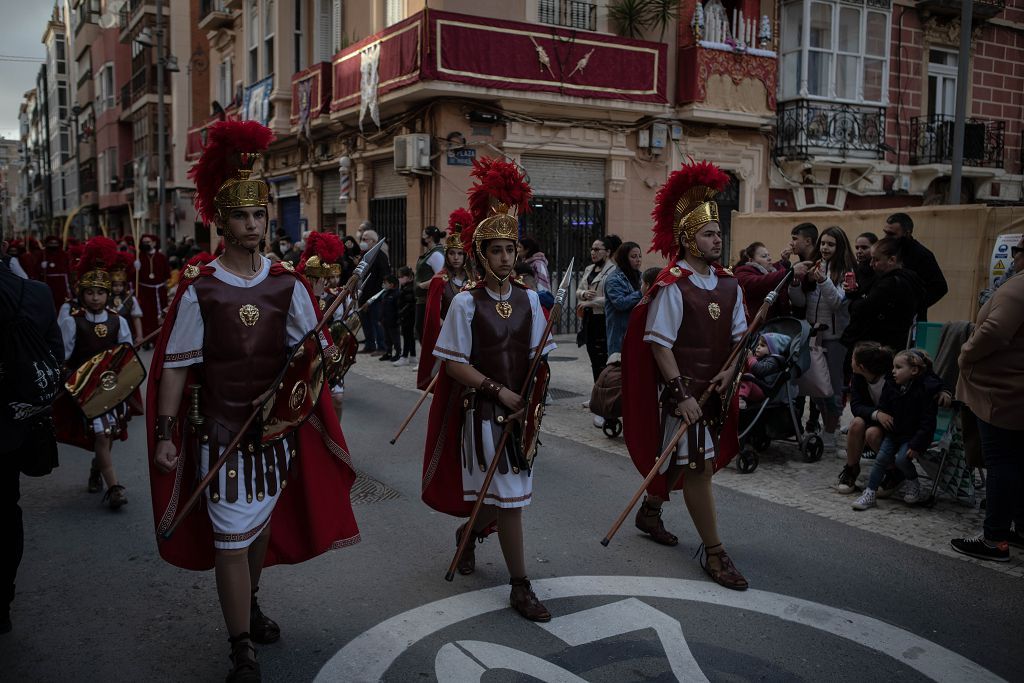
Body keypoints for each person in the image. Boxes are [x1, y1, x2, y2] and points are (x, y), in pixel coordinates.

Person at [148, 120, 360, 681]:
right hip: (219, 431)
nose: (254, 224)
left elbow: (309, 361)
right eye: (242, 215)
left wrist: (333, 352)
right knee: (230, 537)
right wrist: (167, 436)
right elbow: (175, 369)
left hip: (273, 435)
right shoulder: (201, 287)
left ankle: (253, 600)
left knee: (260, 528)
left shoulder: (288, 283)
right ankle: (240, 642)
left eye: (260, 214)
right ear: (221, 221)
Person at [421, 157, 556, 622]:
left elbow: (542, 360)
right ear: (481, 254)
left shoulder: (531, 300)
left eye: (509, 249)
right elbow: (453, 363)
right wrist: (499, 391)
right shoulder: (463, 302)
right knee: (511, 500)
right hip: (482, 416)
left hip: (521, 418)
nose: (504, 257)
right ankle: (521, 586)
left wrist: (533, 402)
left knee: (501, 498)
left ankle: (467, 533)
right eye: (495, 250)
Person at [621, 159, 749, 590]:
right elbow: (658, 343)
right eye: (709, 233)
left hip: (714, 394)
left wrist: (730, 375)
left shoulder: (730, 284)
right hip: (683, 394)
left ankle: (651, 510)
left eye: (718, 233)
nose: (717, 239)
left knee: (685, 460)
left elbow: (738, 341)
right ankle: (714, 553)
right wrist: (681, 395)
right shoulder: (674, 284)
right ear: (688, 239)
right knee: (698, 466)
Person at [0, 257, 64, 635]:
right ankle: (3, 599)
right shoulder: (37, 293)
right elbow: (55, 358)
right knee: (7, 512)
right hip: (10, 427)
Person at [951, 238, 1024, 562]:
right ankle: (1019, 529)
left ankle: (995, 540)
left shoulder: (1018, 288)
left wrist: (966, 353)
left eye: (1016, 251)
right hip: (1013, 389)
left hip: (1002, 392)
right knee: (1016, 463)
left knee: (1001, 463)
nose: (1013, 257)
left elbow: (994, 332)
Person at [54, 237, 134, 509]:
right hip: (87, 390)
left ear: (108, 293)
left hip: (111, 388)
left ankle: (96, 469)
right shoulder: (71, 321)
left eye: (100, 292)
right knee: (101, 435)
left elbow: (128, 355)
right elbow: (62, 358)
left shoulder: (118, 320)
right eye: (90, 292)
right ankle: (114, 488)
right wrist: (76, 378)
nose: (95, 297)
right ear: (82, 293)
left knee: (108, 435)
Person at [789, 226, 855, 454]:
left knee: (833, 387)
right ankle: (825, 425)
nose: (825, 248)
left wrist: (823, 281)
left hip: (834, 338)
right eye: (823, 244)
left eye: (831, 244)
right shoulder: (813, 266)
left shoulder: (845, 271)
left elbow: (838, 302)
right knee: (815, 386)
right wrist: (796, 283)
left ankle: (829, 431)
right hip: (813, 335)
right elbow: (799, 302)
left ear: (840, 247)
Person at [852, 349, 944, 510]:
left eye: (898, 367)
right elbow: (884, 406)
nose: (893, 371)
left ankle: (912, 480)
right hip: (894, 433)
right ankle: (870, 492)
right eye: (893, 367)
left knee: (902, 459)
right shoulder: (891, 385)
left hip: (913, 436)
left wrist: (916, 445)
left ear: (914, 370)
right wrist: (882, 415)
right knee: (880, 459)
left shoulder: (925, 390)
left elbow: (928, 423)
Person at [417, 209, 474, 390]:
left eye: (460, 253)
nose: (456, 258)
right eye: (452, 253)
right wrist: (449, 327)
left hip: (472, 337)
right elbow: (434, 315)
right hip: (447, 338)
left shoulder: (473, 281)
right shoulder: (439, 280)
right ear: (447, 255)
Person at [296, 231, 348, 420]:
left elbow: (339, 328)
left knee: (337, 399)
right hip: (306, 359)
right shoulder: (300, 299)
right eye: (320, 280)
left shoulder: (334, 297)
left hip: (327, 357)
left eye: (325, 280)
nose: (323, 283)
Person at [841, 237, 925, 353]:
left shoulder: (890, 284)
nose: (871, 264)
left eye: (876, 260)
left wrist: (856, 302)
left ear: (892, 260)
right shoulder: (910, 278)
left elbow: (864, 308)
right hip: (896, 342)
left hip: (880, 345)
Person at [835, 342, 893, 494]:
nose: (850, 361)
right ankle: (851, 469)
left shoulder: (891, 378)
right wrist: (876, 414)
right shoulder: (858, 378)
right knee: (856, 423)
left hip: (891, 422)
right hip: (874, 417)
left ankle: (893, 471)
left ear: (861, 366)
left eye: (853, 359)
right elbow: (856, 406)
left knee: (872, 434)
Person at [882, 213, 947, 320]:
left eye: (892, 234)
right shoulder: (886, 250)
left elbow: (939, 287)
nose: (886, 238)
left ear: (907, 233)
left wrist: (914, 305)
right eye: (886, 233)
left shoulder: (922, 255)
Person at [577, 235, 620, 381]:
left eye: (597, 249)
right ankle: (597, 392)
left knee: (602, 358)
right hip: (588, 319)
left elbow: (612, 299)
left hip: (603, 318)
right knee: (593, 357)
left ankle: (603, 392)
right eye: (592, 249)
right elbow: (578, 291)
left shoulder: (614, 271)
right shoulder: (589, 269)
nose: (593, 252)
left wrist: (590, 302)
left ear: (607, 252)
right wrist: (584, 293)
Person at [733, 241, 793, 321]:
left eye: (769, 255)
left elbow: (774, 272)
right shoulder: (742, 273)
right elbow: (762, 281)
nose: (769, 258)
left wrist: (784, 262)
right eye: (764, 256)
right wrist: (789, 272)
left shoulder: (770, 271)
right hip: (757, 328)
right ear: (751, 261)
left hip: (777, 326)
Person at [604, 241, 643, 358]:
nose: (638, 260)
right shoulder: (613, 279)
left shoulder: (641, 277)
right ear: (624, 258)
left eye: (640, 256)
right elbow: (620, 303)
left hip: (637, 333)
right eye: (633, 256)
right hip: (620, 336)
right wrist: (641, 293)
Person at [357, 229, 390, 355]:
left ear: (374, 241)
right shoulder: (364, 255)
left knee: (377, 322)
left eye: (365, 239)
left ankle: (381, 347)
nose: (362, 241)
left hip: (374, 296)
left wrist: (373, 298)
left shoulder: (380, 256)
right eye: (362, 238)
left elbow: (383, 277)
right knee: (365, 322)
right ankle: (369, 345)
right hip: (362, 294)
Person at [738, 333, 791, 409]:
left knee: (748, 377)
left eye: (762, 345)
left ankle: (740, 400)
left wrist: (750, 358)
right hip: (754, 386)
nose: (758, 347)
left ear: (772, 349)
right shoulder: (761, 358)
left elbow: (759, 370)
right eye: (758, 345)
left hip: (763, 390)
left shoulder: (773, 361)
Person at [136, 233, 171, 340]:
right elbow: (134, 277)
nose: (145, 244)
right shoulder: (139, 257)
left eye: (148, 242)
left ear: (154, 243)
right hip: (145, 292)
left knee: (161, 314)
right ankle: (148, 338)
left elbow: (167, 274)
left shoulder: (161, 257)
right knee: (147, 314)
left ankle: (161, 337)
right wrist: (135, 268)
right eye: (144, 242)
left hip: (159, 291)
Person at [414, 225, 445, 340]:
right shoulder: (430, 253)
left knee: (425, 331)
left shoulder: (436, 254)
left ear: (429, 238)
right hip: (421, 299)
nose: (422, 238)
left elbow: (441, 277)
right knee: (420, 330)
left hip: (428, 299)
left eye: (423, 235)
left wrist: (422, 285)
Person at [109, 252, 144, 343]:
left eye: (120, 285)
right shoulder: (105, 298)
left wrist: (140, 336)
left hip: (127, 332)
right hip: (110, 332)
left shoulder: (130, 298)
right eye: (115, 285)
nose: (117, 288)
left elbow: (136, 318)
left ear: (124, 286)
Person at [36, 235, 72, 310]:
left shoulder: (63, 254)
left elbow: (67, 270)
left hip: (60, 283)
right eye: (51, 243)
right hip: (48, 282)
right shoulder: (42, 254)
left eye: (55, 243)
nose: (53, 245)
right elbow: (36, 269)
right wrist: (41, 267)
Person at [518, 236, 552, 309]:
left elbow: (543, 286)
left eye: (519, 247)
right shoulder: (526, 262)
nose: (517, 250)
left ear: (527, 249)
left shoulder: (538, 263)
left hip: (538, 303)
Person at [395, 266, 416, 367]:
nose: (399, 278)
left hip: (407, 316)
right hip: (407, 315)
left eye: (401, 276)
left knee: (407, 336)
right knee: (410, 336)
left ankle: (404, 357)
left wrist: (401, 313)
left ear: (408, 277)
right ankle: (412, 355)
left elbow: (409, 303)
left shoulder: (409, 288)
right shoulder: (406, 287)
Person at [378, 273, 401, 361]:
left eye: (385, 283)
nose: (384, 284)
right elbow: (382, 308)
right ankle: (388, 353)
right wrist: (380, 319)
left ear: (391, 285)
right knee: (387, 339)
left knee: (395, 339)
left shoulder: (396, 294)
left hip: (393, 321)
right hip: (385, 321)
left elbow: (398, 308)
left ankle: (398, 353)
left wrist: (398, 320)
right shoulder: (385, 294)